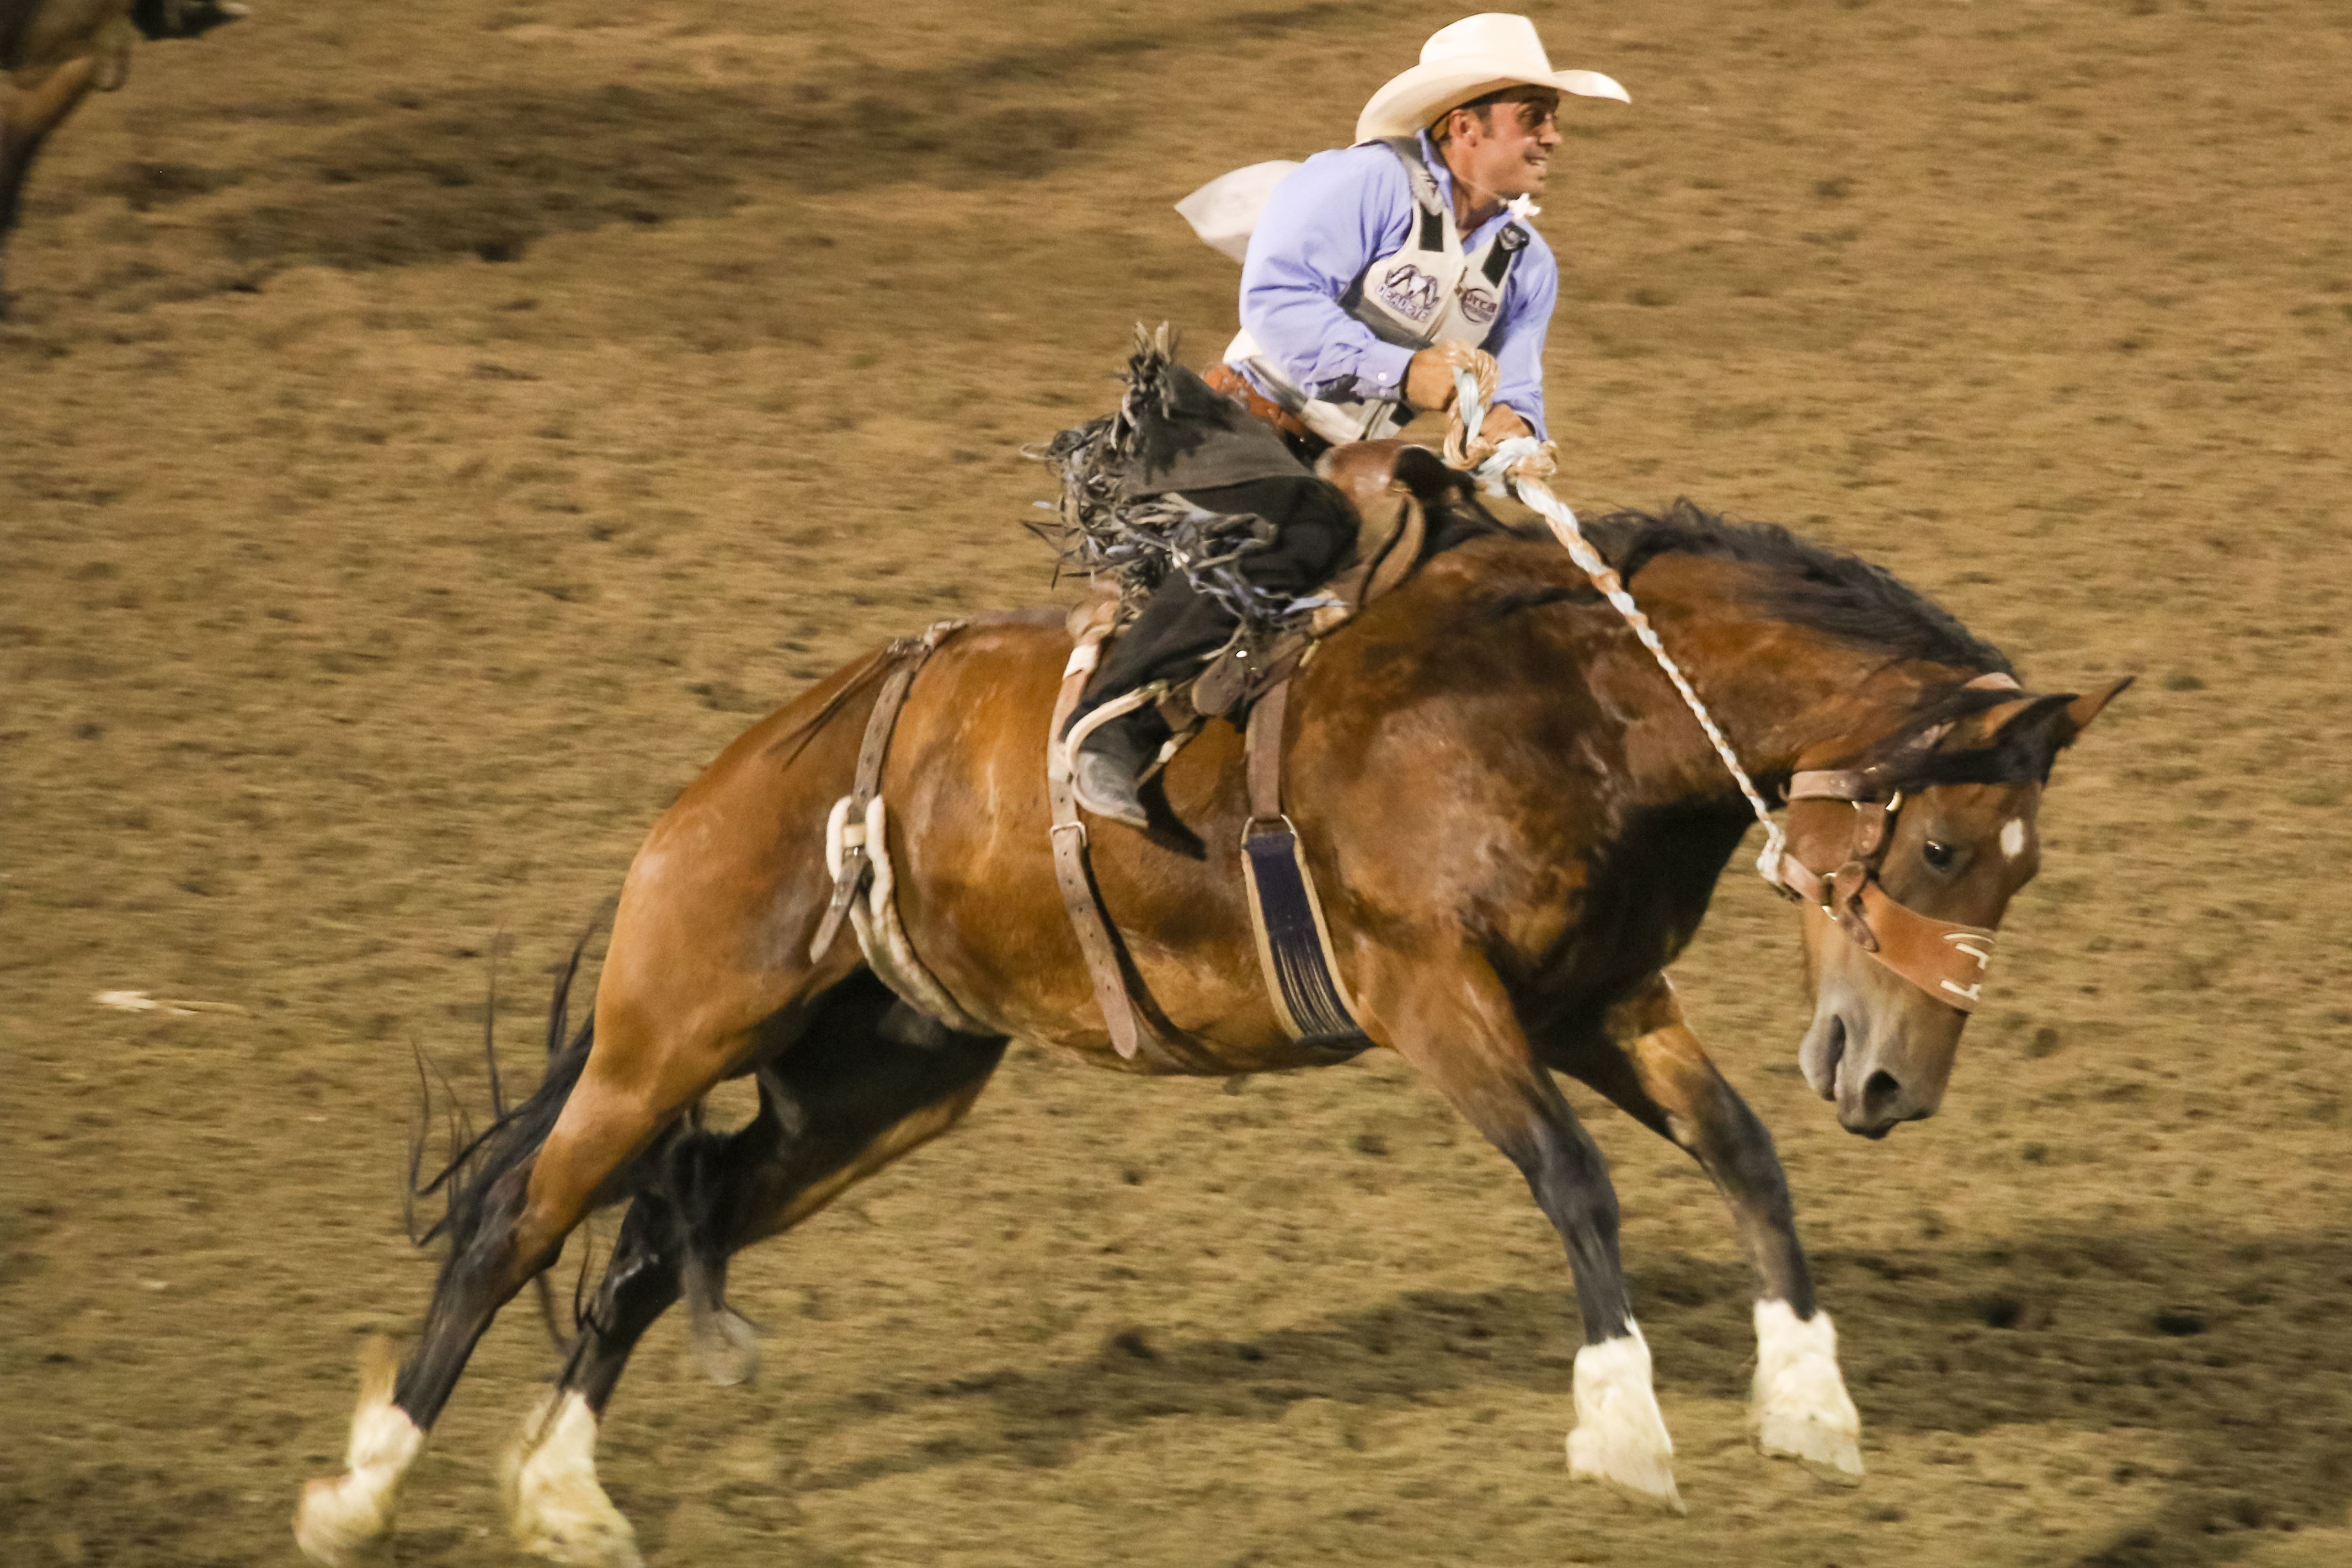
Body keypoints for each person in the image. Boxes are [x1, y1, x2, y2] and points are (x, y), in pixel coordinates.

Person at [1066, 13, 1627, 829]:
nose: (1553, 138)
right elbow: (1277, 301)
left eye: (1553, 120)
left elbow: (1519, 386)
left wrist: (1511, 433)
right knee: (1301, 522)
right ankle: (1111, 726)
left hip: (1345, 465)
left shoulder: (1527, 265)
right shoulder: (1363, 182)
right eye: (1533, 117)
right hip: (1232, 427)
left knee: (1473, 569)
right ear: (1466, 126)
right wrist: (1406, 372)